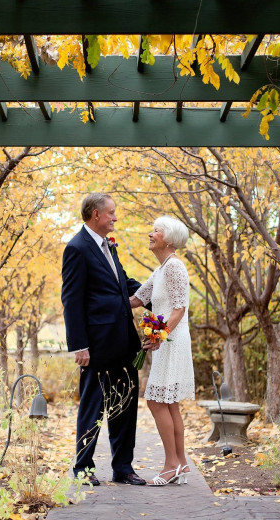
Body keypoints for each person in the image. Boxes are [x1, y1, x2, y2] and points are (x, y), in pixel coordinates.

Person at [61, 193, 150, 486]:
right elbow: (71, 300)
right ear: (96, 214)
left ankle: (123, 468)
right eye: (111, 213)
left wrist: (158, 295)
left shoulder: (109, 247)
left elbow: (123, 283)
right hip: (96, 345)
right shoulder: (76, 248)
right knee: (93, 407)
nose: (115, 218)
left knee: (125, 405)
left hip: (124, 341)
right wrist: (79, 345)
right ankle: (83, 469)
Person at [130, 215, 195, 486]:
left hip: (172, 341)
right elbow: (135, 299)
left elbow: (179, 308)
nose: (150, 233)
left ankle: (170, 465)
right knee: (168, 403)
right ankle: (181, 464)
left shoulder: (174, 267)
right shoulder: (161, 270)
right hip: (166, 340)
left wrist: (159, 335)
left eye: (156, 230)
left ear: (168, 239)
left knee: (156, 401)